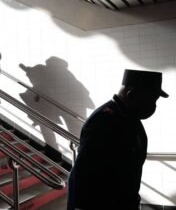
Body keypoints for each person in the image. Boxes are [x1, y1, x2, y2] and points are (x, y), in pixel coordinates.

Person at [67, 69, 169, 210]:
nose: (153, 105)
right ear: (131, 94)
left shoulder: (130, 118)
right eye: (151, 99)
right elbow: (84, 174)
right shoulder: (104, 121)